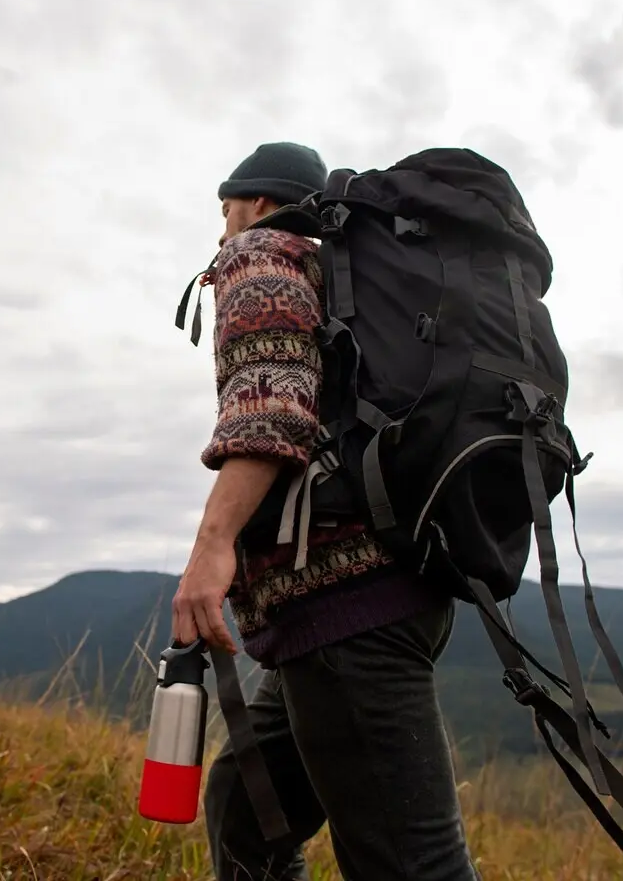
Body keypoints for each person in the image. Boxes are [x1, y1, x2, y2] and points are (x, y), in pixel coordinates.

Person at [172, 141, 482, 880]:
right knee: (248, 812)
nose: (223, 225)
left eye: (226, 207)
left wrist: (211, 547)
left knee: (411, 865)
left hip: (346, 606)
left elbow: (272, 408)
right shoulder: (342, 282)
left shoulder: (262, 254)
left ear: (259, 203)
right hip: (368, 595)